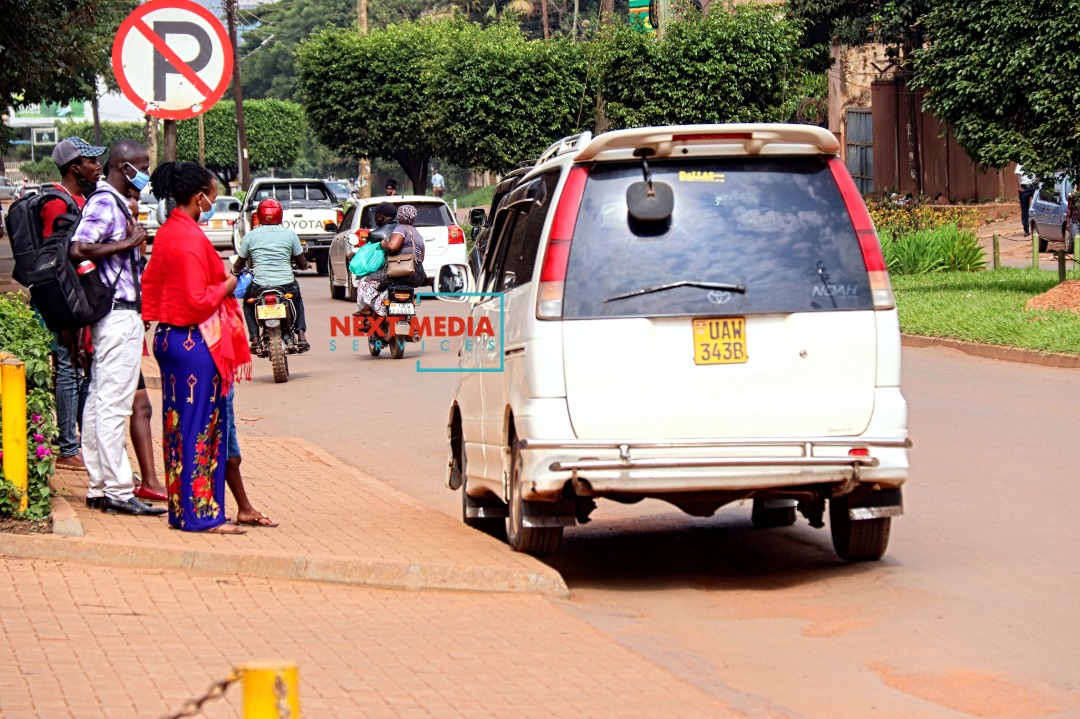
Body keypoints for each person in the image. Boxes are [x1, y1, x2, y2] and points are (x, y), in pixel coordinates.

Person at [142, 160, 251, 535]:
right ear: (199, 197)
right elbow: (196, 298)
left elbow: (154, 287)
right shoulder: (188, 238)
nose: (214, 204)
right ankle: (201, 515)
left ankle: (181, 510)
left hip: (170, 338)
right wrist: (228, 283)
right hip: (194, 343)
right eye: (213, 198)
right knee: (201, 429)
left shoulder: (170, 231)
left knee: (179, 427)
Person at [69, 139, 163, 517]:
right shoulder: (107, 202)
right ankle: (120, 492)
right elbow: (79, 248)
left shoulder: (111, 202)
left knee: (97, 403)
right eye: (142, 166)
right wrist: (129, 241)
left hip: (114, 314)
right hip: (118, 314)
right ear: (124, 168)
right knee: (113, 404)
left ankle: (99, 486)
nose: (145, 174)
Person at [44, 137, 107, 472]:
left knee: (80, 367)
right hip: (61, 299)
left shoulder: (80, 199)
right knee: (68, 366)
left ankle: (78, 440)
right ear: (74, 168)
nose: (97, 167)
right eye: (91, 162)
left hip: (76, 297)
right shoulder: (59, 202)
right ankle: (68, 446)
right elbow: (57, 259)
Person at [233, 198, 311, 353]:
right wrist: (306, 265)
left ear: (260, 216)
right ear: (280, 215)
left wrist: (235, 271)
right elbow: (302, 262)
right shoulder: (290, 235)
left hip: (259, 286)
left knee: (248, 304)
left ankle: (255, 339)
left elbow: (239, 263)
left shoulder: (250, 236)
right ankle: (301, 335)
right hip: (286, 285)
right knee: (297, 299)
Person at [356, 204, 427, 316]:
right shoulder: (417, 233)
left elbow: (392, 247)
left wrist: (383, 243)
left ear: (400, 216)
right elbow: (421, 258)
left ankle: (368, 309)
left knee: (366, 282)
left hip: (400, 271)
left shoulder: (401, 228)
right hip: (417, 274)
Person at [223, 385, 278, 527]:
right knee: (218, 447)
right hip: (210, 376)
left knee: (231, 453)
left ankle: (245, 509)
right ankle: (211, 509)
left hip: (223, 375)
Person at [354, 201, 399, 315]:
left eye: (376, 214)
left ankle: (366, 314)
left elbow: (367, 257)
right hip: (405, 271)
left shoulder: (375, 234)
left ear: (381, 216)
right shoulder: (402, 231)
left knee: (363, 282)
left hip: (386, 272)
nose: (375, 217)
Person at [1016, 164, 1039, 236]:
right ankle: (1026, 230)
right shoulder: (1020, 164)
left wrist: (1037, 183)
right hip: (1024, 187)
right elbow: (1018, 175)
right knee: (1024, 209)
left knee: (1037, 207)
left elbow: (1039, 173)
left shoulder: (1035, 161)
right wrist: (1019, 187)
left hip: (1034, 186)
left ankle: (1038, 228)